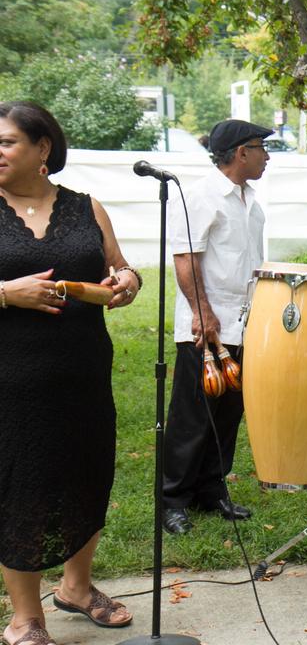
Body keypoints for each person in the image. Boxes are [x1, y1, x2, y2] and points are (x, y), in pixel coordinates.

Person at [1, 101, 142, 644]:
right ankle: (25, 618)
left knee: (87, 472)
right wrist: (6, 293)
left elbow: (118, 266)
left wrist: (127, 281)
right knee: (21, 485)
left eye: (7, 142)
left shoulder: (86, 207)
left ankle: (76, 589)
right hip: (11, 379)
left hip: (83, 371)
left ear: (42, 147)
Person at [161, 119, 272, 534]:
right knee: (193, 416)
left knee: (227, 414)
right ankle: (173, 499)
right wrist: (202, 312)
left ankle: (211, 490)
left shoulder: (249, 200)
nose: (266, 157)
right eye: (261, 148)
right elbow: (185, 258)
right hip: (205, 325)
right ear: (241, 153)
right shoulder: (202, 195)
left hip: (244, 323)